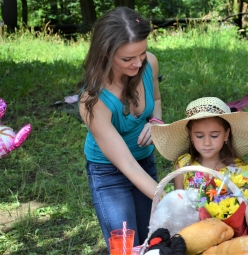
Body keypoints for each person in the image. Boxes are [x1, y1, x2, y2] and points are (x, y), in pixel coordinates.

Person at [78, 7, 162, 249]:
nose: (138, 63)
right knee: (126, 246)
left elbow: (155, 100)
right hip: (109, 175)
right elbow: (126, 165)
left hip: (145, 163)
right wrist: (169, 201)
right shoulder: (93, 100)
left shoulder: (150, 64)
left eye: (142, 53)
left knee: (153, 241)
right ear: (106, 54)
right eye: (127, 59)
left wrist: (155, 122)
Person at [151, 97, 248, 189]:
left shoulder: (238, 169)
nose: (207, 143)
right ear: (190, 135)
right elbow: (179, 203)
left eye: (214, 136)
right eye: (199, 136)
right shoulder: (184, 165)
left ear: (226, 135)